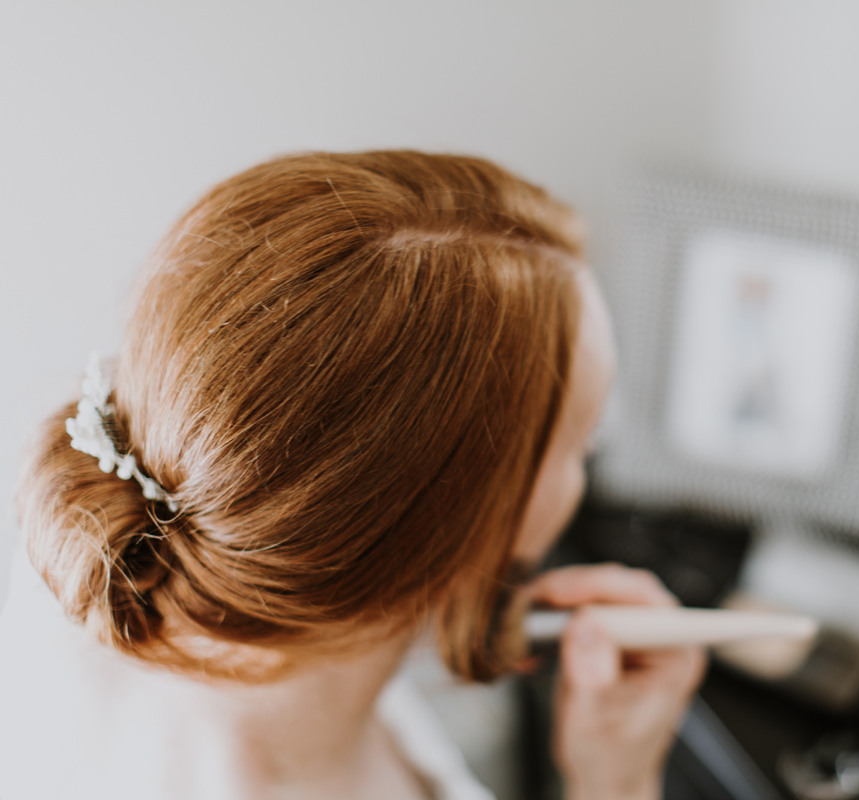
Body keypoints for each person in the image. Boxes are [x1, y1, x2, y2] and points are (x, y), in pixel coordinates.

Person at [0, 151, 706, 799]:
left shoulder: (91, 587)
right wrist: (618, 782)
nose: (587, 474)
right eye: (585, 445)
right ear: (452, 524)